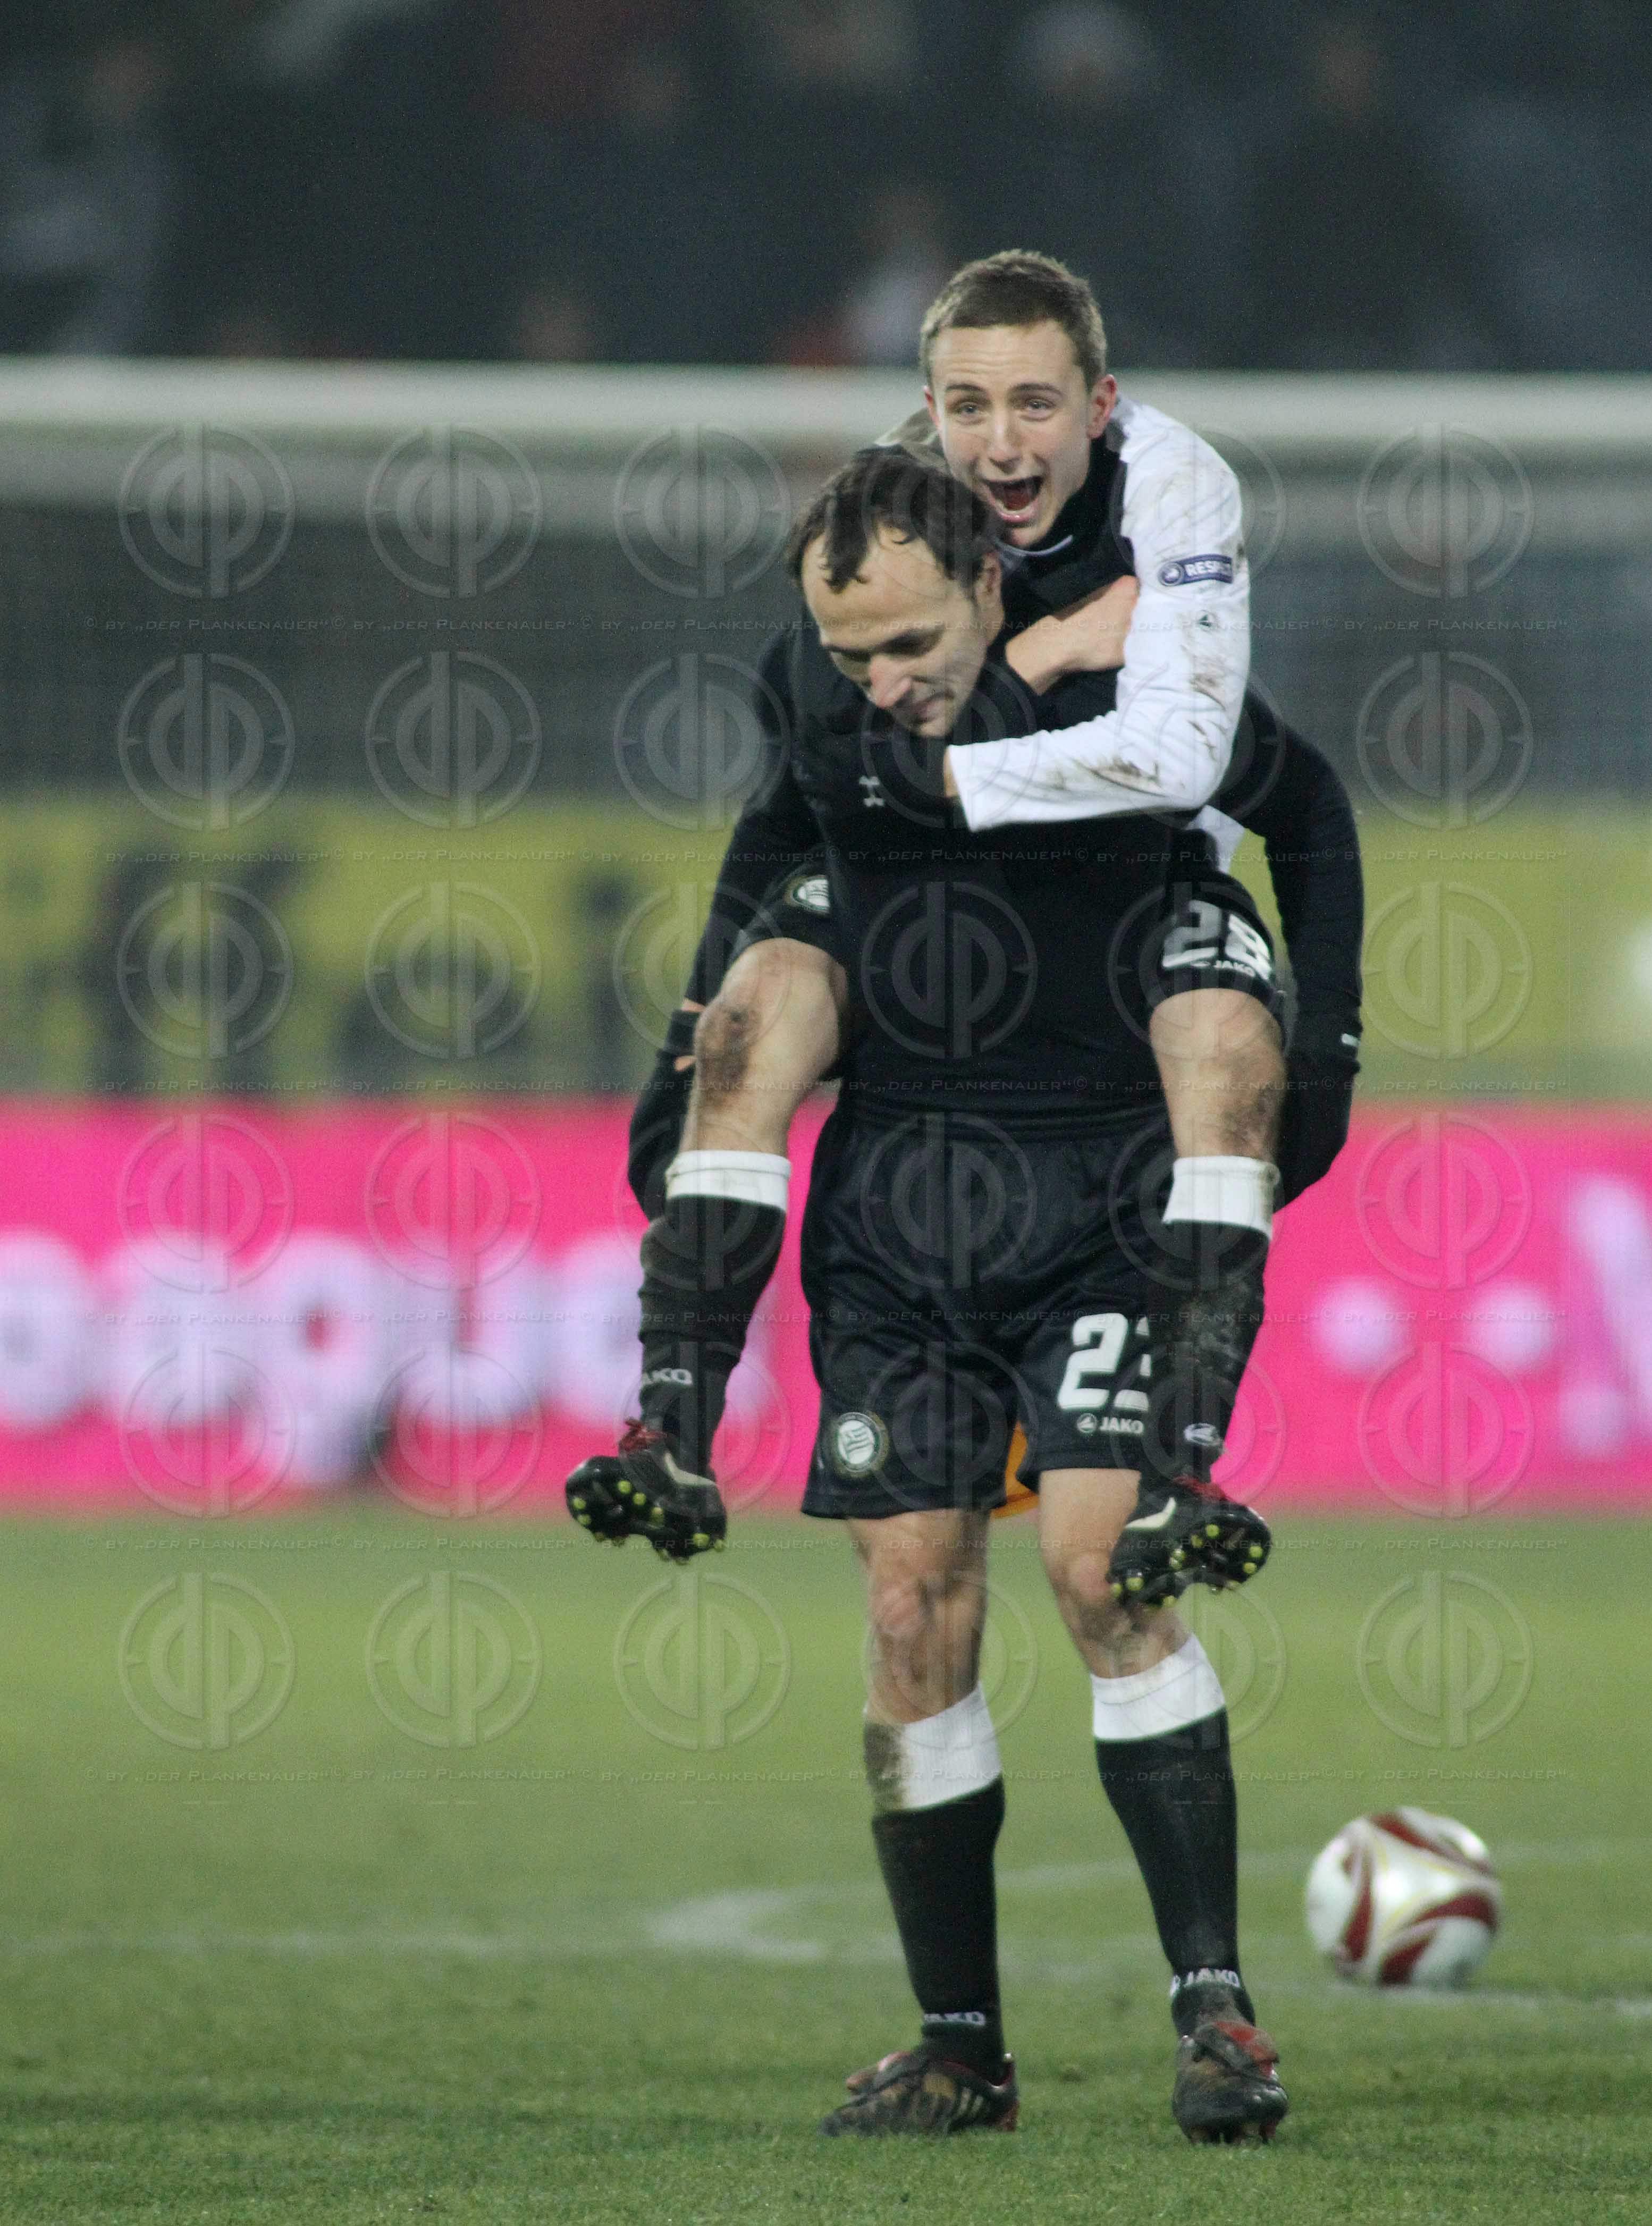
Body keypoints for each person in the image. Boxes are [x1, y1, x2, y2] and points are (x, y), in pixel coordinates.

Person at [573, 448, 1297, 2142]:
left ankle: (1216, 2012)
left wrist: (1310, 1031)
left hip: (1096, 1178)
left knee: (1098, 1572)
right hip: (905, 1202)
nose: (880, 685)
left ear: (988, 588)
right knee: (909, 1604)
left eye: (909, 645)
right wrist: (686, 1044)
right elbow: (767, 859)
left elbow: (1299, 806)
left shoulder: (1157, 683)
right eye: (848, 659)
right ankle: (959, 2044)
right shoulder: (826, 710)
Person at [587, 255, 1362, 1603]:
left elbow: (1235, 774)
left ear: (1100, 407)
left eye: (1035, 405)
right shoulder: (886, 552)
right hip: (913, 921)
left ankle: (1187, 1467)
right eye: (967, 406)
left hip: (1114, 921)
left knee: (1225, 1044)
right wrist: (682, 1036)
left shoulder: (1170, 505)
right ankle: (670, 1432)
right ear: (927, 411)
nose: (1001, 441)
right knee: (756, 1014)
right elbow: (808, 789)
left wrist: (1336, 1043)